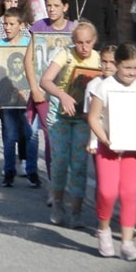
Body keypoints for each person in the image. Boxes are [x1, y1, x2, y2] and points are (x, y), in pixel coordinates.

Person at [88, 42, 136, 261]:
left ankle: (127, 243)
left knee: (129, 193)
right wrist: (105, 140)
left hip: (134, 149)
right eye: (127, 67)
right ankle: (104, 229)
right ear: (117, 65)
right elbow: (93, 117)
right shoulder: (104, 87)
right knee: (108, 192)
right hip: (110, 147)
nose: (132, 73)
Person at [41, 20, 100, 229]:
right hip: (61, 117)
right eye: (79, 43)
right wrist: (61, 94)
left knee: (79, 165)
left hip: (83, 119)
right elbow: (46, 80)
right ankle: (57, 201)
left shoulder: (98, 59)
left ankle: (76, 210)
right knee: (60, 161)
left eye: (88, 43)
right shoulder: (65, 54)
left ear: (94, 41)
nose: (84, 48)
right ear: (73, 42)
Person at [24, 0, 75, 190]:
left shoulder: (73, 29)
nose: (51, 10)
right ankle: (54, 184)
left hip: (68, 92)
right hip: (43, 91)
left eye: (56, 6)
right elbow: (28, 60)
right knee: (49, 134)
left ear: (65, 7)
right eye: (48, 6)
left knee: (67, 138)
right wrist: (34, 88)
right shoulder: (38, 27)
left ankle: (66, 180)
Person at [0, 7, 37, 187]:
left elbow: (36, 68)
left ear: (21, 25)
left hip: (27, 98)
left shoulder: (28, 44)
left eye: (12, 24)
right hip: (6, 100)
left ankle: (32, 171)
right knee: (9, 136)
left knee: (30, 134)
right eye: (5, 24)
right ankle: (9, 171)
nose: (7, 28)